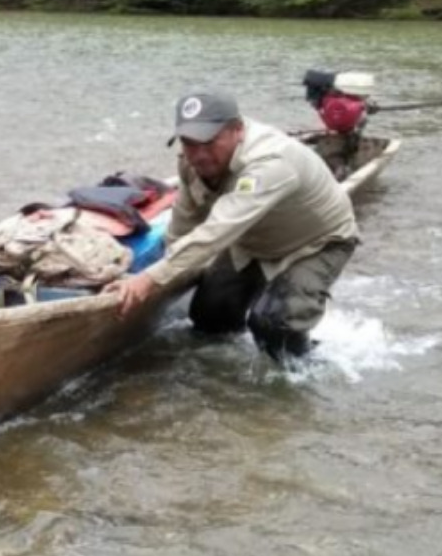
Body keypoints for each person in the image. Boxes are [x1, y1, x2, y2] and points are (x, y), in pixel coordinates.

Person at [103, 91, 359, 363]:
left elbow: (216, 232)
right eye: (190, 143)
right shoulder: (190, 163)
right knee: (208, 316)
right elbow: (184, 223)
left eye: (210, 142)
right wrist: (152, 272)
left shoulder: (270, 163)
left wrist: (149, 280)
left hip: (315, 242)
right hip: (253, 240)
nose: (199, 155)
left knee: (274, 325)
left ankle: (302, 366)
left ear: (237, 130)